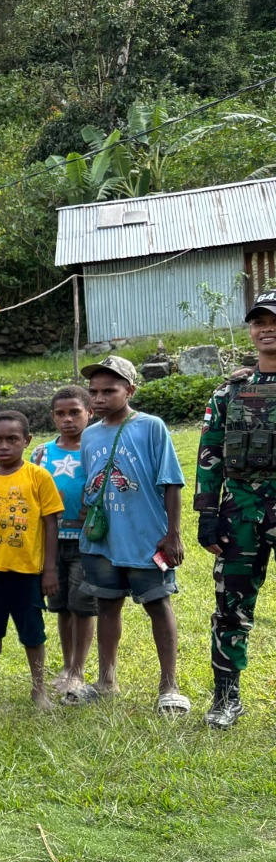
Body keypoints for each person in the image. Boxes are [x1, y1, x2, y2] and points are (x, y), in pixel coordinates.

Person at [77, 356, 188, 714]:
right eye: (93, 392)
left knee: (158, 604)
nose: (99, 398)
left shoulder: (152, 427)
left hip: (145, 537)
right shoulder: (90, 434)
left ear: (130, 390)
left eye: (109, 390)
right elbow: (88, 482)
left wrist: (173, 534)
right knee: (107, 605)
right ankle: (106, 680)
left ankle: (168, 686)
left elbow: (171, 482)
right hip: (103, 540)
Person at [195, 288, 276, 727]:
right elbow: (210, 453)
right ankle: (227, 699)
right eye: (259, 321)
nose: (267, 328)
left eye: (274, 320)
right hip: (241, 512)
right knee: (231, 607)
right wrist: (208, 514)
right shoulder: (230, 392)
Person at [0, 410, 62, 710]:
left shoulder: (38, 476)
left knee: (32, 633)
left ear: (27, 440)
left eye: (12, 439)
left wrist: (49, 570)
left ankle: (39, 691)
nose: (4, 446)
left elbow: (50, 523)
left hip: (27, 572)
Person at [31, 387, 98, 697]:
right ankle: (67, 663)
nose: (67, 419)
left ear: (90, 413)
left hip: (88, 541)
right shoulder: (42, 453)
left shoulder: (97, 449)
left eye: (75, 412)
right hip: (51, 541)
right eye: (60, 414)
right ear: (52, 417)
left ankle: (78, 670)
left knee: (82, 604)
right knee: (61, 606)